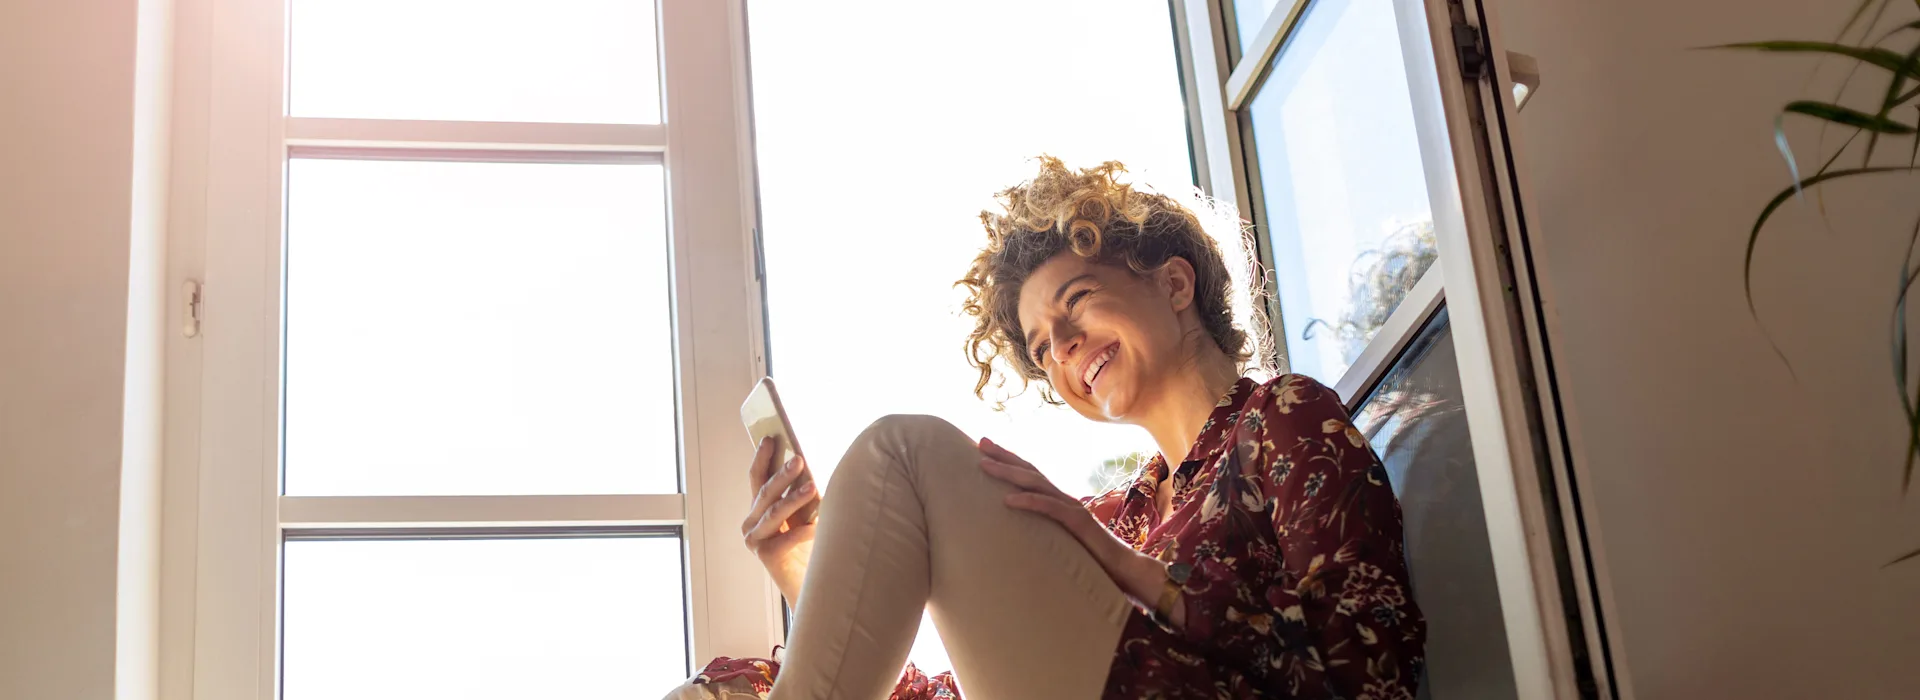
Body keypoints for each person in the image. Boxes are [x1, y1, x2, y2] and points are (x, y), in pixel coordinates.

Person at [682, 157, 1425, 699]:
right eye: (1042, 347)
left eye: (1078, 301)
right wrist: (801, 566)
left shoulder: (1283, 420)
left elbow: (1364, 674)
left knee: (905, 455)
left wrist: (1135, 572)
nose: (1062, 345)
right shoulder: (1120, 516)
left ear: (1173, 284)